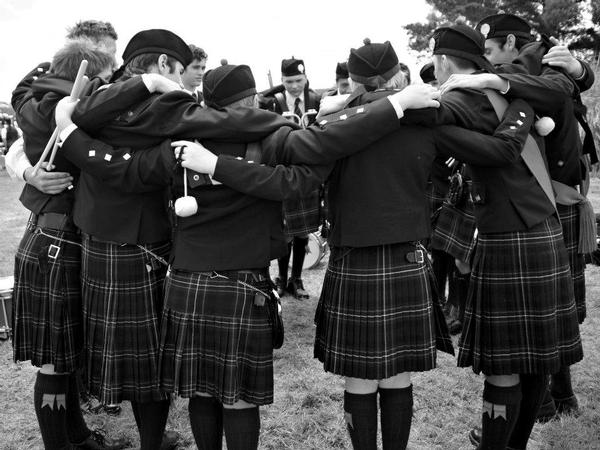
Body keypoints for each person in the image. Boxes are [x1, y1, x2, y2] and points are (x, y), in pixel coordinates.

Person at [180, 39, 544, 450]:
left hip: (352, 257)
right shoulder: (427, 119)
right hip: (407, 253)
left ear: (352, 80)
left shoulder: (335, 124)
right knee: (397, 375)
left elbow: (303, 183)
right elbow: (496, 149)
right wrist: (523, 109)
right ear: (397, 76)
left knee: (360, 375)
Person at [426, 23, 583, 449]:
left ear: (442, 61)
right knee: (534, 360)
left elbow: (429, 124)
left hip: (506, 235)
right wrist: (519, 108)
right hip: (544, 226)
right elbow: (562, 85)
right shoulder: (516, 89)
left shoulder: (460, 97)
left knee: (506, 364)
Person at [10, 38, 125, 450]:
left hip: (51, 235)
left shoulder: (32, 101)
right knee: (55, 362)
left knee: (65, 354)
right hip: (56, 241)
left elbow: (22, 86)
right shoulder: (73, 111)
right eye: (105, 77)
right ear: (86, 77)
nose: (111, 85)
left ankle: (76, 437)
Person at [258, 56, 323, 299]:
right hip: (283, 172)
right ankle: (282, 278)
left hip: (308, 171)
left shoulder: (317, 100)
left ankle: (297, 279)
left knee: (302, 231)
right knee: (284, 229)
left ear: (306, 78)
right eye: (288, 81)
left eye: (298, 80)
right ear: (281, 80)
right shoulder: (273, 102)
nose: (294, 86)